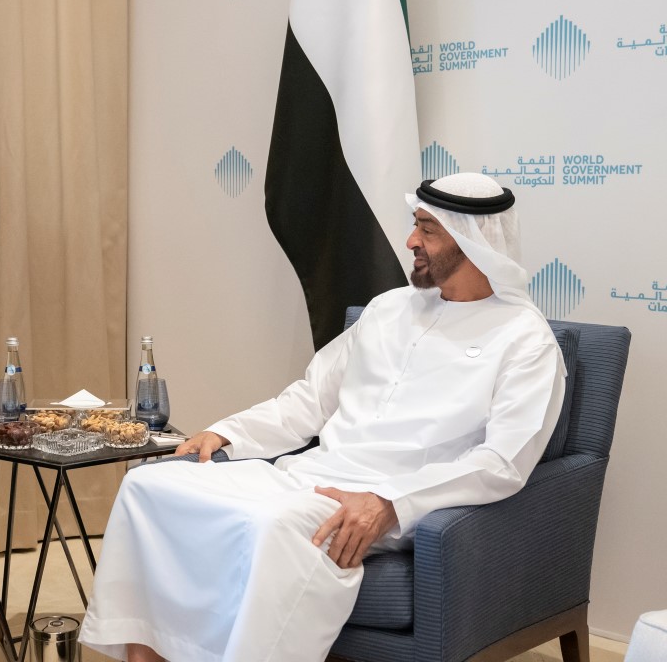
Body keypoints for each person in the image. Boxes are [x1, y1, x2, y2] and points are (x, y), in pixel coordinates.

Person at [79, 172, 567, 662]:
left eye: (427, 229)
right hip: (308, 477)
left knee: (272, 524)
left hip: (385, 498)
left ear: (473, 241)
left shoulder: (526, 340)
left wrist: (390, 502)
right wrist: (227, 432)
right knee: (149, 487)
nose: (410, 240)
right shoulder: (388, 310)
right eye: (415, 225)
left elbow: (503, 461)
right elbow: (309, 399)